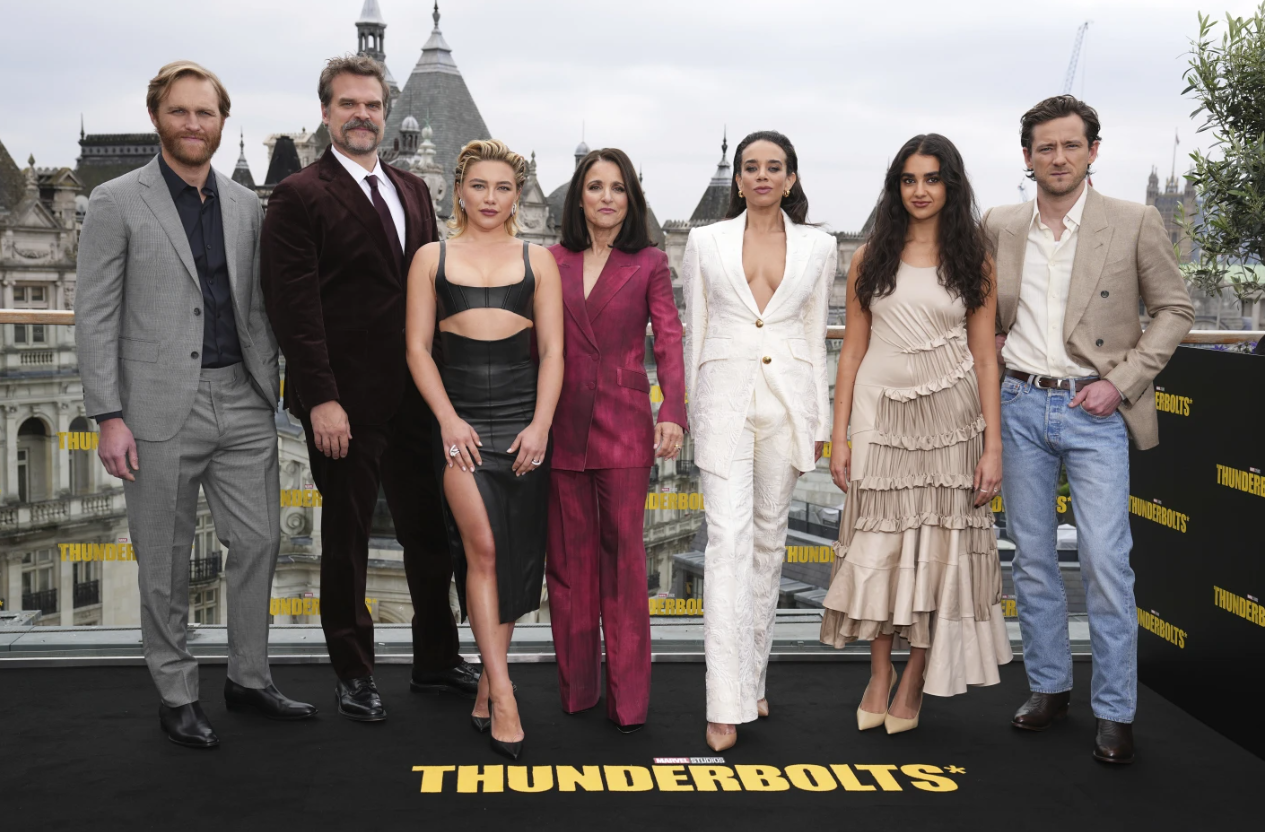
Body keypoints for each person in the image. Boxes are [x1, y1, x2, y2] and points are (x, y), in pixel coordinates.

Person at [76, 61, 316, 748]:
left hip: (243, 399)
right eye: (180, 112)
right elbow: (94, 315)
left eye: (204, 114)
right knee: (163, 557)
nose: (192, 124)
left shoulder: (246, 205)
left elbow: (262, 301)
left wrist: (274, 376)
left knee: (261, 541)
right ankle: (177, 692)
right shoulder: (116, 200)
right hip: (153, 408)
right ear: (158, 117)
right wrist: (108, 415)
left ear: (221, 121)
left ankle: (248, 678)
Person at [260, 55, 479, 723]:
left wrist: (446, 390)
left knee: (430, 535)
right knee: (347, 544)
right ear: (326, 113)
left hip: (416, 390)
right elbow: (292, 307)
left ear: (386, 114)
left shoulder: (413, 190)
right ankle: (354, 673)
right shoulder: (300, 194)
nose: (362, 115)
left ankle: (436, 659)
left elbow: (431, 292)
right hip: (343, 401)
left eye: (372, 105)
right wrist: (319, 396)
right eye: (348, 104)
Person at [984, 96, 1194, 764]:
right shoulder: (1000, 223)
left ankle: (1114, 709)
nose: (1057, 157)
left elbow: (1174, 307)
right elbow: (980, 314)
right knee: (1034, 562)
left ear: (1091, 151)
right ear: (1026, 158)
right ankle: (1047, 686)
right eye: (1044, 147)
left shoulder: (1132, 222)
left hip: (1093, 409)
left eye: (1069, 145)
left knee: (1106, 565)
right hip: (1018, 404)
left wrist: (1122, 381)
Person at [820, 134, 1012, 735]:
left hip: (952, 425)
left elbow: (986, 359)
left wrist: (993, 445)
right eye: (909, 179)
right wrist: (841, 435)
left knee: (938, 551)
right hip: (880, 419)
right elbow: (850, 353)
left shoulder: (973, 261)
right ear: (895, 187)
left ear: (950, 186)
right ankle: (879, 672)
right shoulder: (868, 258)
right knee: (880, 548)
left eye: (932, 179)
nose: (920, 190)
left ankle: (917, 676)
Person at [405, 139, 564, 760]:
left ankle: (485, 689)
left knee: (515, 560)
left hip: (523, 425)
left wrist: (541, 426)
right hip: (461, 427)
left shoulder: (538, 259)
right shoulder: (430, 257)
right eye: (480, 187)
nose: (491, 199)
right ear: (459, 190)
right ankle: (502, 692)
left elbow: (552, 352)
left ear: (517, 196)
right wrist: (447, 420)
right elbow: (417, 348)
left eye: (504, 188)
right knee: (486, 549)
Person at [682, 130, 836, 752]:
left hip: (788, 405)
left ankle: (752, 677)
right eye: (751, 167)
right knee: (727, 546)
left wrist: (818, 420)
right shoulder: (704, 241)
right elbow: (696, 329)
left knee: (770, 546)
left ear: (791, 178)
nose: (762, 176)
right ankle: (725, 703)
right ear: (739, 179)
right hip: (724, 404)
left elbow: (811, 332)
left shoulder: (819, 247)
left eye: (774, 167)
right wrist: (694, 412)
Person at [546, 148, 687, 733]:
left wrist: (672, 409)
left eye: (618, 188)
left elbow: (671, 340)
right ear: (579, 196)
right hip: (557, 424)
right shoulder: (549, 259)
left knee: (626, 569)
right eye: (595, 186)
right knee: (568, 569)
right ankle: (577, 693)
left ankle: (628, 704)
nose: (606, 197)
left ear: (631, 200)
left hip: (625, 425)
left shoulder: (649, 261)